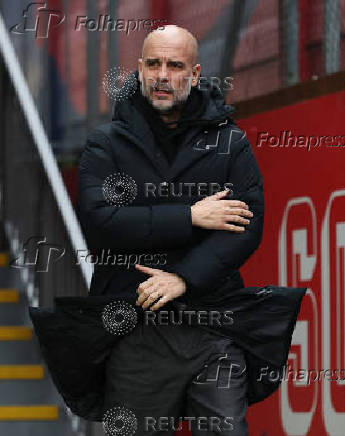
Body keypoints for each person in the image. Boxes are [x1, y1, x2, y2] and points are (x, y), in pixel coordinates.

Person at [76, 25, 280, 435]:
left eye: (175, 65)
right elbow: (102, 221)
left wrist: (184, 278)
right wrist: (190, 216)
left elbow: (246, 225)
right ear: (139, 70)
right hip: (134, 332)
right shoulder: (105, 144)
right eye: (153, 64)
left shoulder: (229, 143)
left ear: (196, 73)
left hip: (213, 327)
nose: (162, 75)